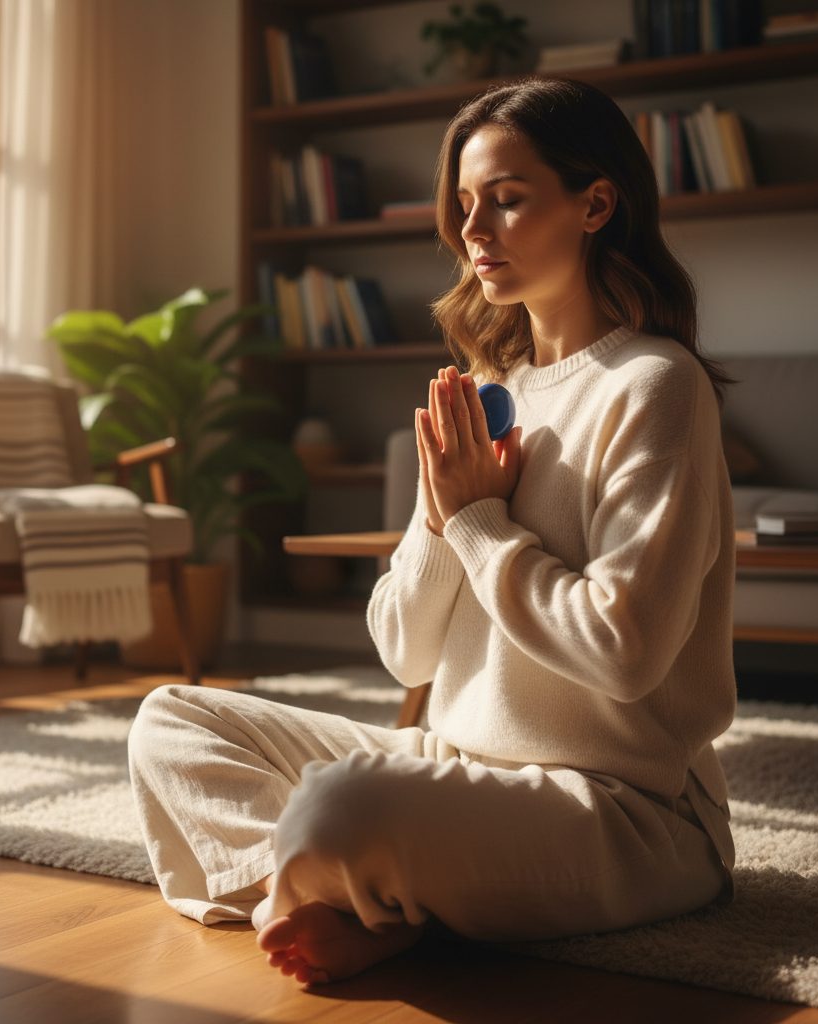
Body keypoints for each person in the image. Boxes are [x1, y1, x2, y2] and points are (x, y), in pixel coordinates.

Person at [127, 76, 737, 988]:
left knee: (341, 807)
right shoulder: (487, 391)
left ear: (595, 203)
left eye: (507, 199)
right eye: (464, 206)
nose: (474, 230)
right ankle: (358, 899)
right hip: (452, 767)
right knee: (170, 721)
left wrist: (480, 520)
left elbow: (627, 653)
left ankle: (359, 889)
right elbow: (405, 653)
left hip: (622, 808)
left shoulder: (655, 384)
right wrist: (444, 512)